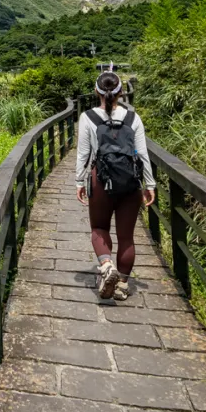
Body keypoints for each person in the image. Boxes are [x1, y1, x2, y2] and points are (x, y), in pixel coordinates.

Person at [75, 70, 155, 300]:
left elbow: (83, 154)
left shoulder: (88, 117)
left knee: (99, 228)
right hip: (130, 182)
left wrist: (80, 181)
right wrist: (150, 184)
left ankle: (107, 265)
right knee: (127, 236)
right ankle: (121, 284)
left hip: (100, 180)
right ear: (120, 92)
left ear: (96, 92)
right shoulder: (133, 118)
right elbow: (142, 155)